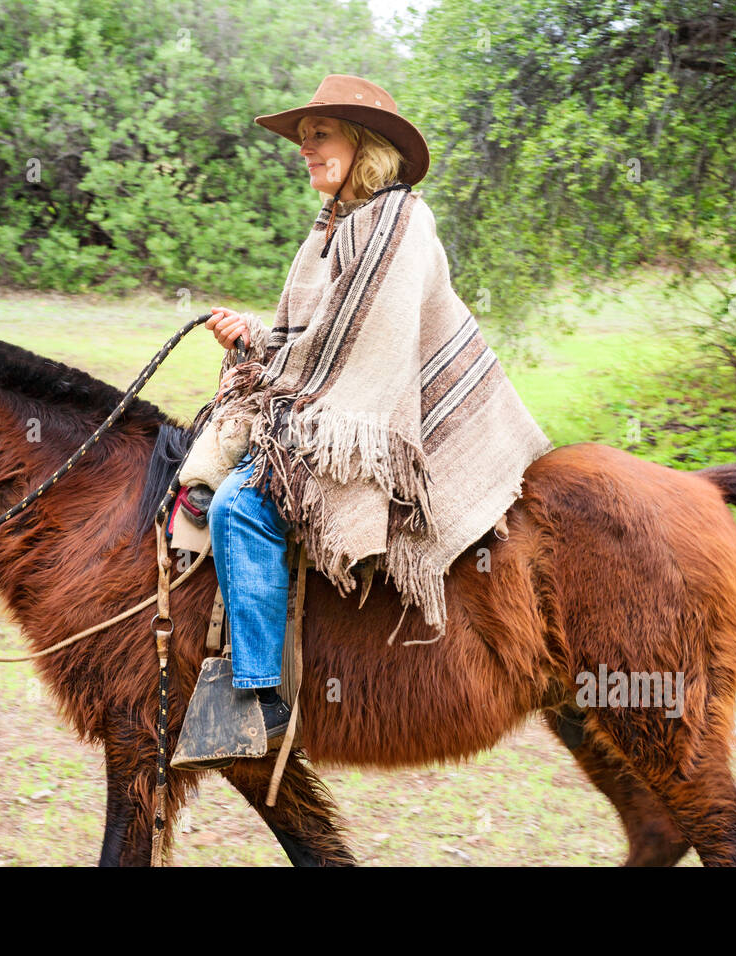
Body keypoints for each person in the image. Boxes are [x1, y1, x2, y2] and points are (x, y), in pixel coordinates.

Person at [185, 74, 554, 751]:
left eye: (319, 134)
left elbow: (368, 360)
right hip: (337, 404)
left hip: (380, 424)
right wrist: (255, 339)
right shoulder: (332, 230)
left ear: (363, 143)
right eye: (303, 139)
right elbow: (319, 344)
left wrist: (289, 399)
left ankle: (257, 697)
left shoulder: (399, 226)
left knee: (239, 503)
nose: (306, 149)